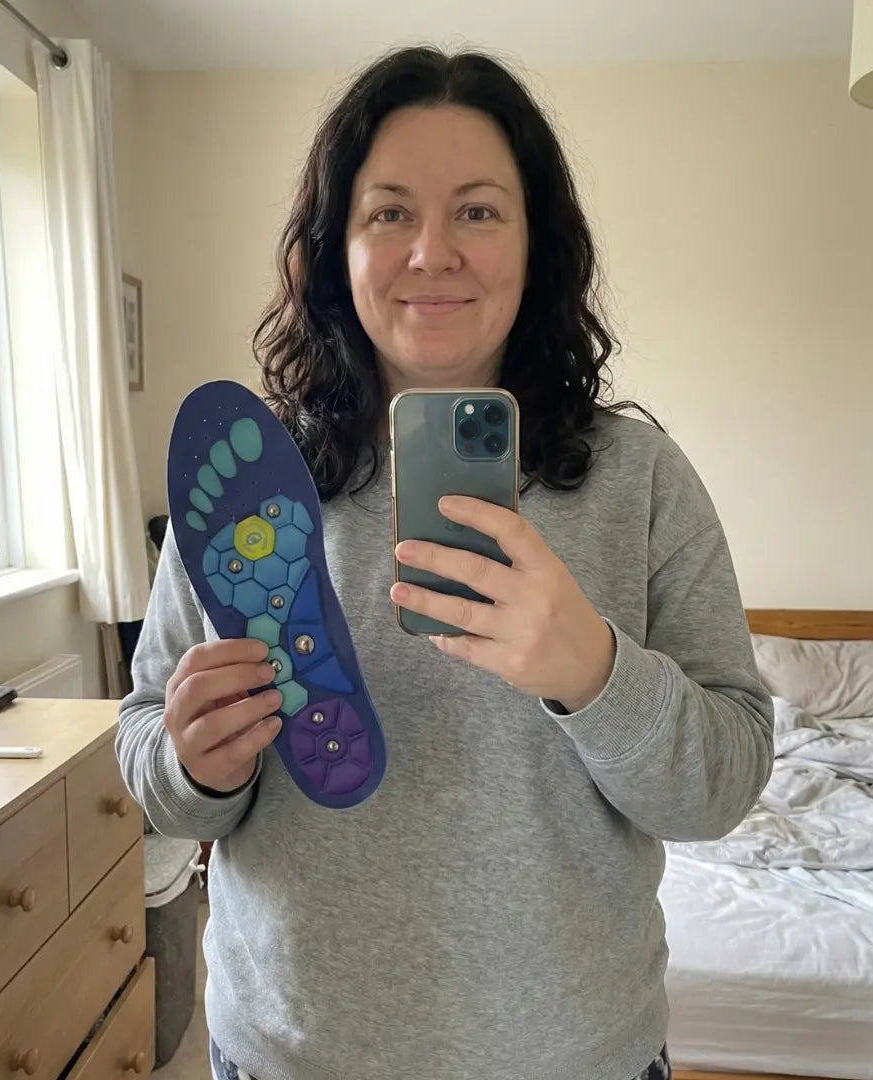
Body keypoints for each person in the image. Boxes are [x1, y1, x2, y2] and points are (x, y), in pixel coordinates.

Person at [117, 46, 773, 1080]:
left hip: (575, 1059)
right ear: (335, 249)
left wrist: (595, 672)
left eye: (477, 211)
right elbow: (151, 751)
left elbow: (723, 785)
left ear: (536, 242)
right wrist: (196, 762)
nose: (432, 252)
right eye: (389, 213)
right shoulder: (246, 482)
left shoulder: (639, 480)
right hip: (290, 1053)